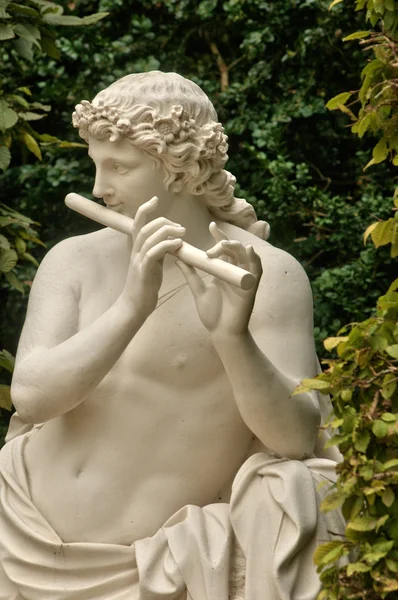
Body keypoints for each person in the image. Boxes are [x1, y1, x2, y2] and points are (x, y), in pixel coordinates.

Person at [0, 72, 344, 600]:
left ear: (178, 167)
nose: (98, 187)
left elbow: (298, 438)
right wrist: (132, 305)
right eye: (96, 164)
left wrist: (232, 338)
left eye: (119, 166)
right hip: (21, 534)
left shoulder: (268, 276)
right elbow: (31, 395)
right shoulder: (72, 260)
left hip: (156, 568)